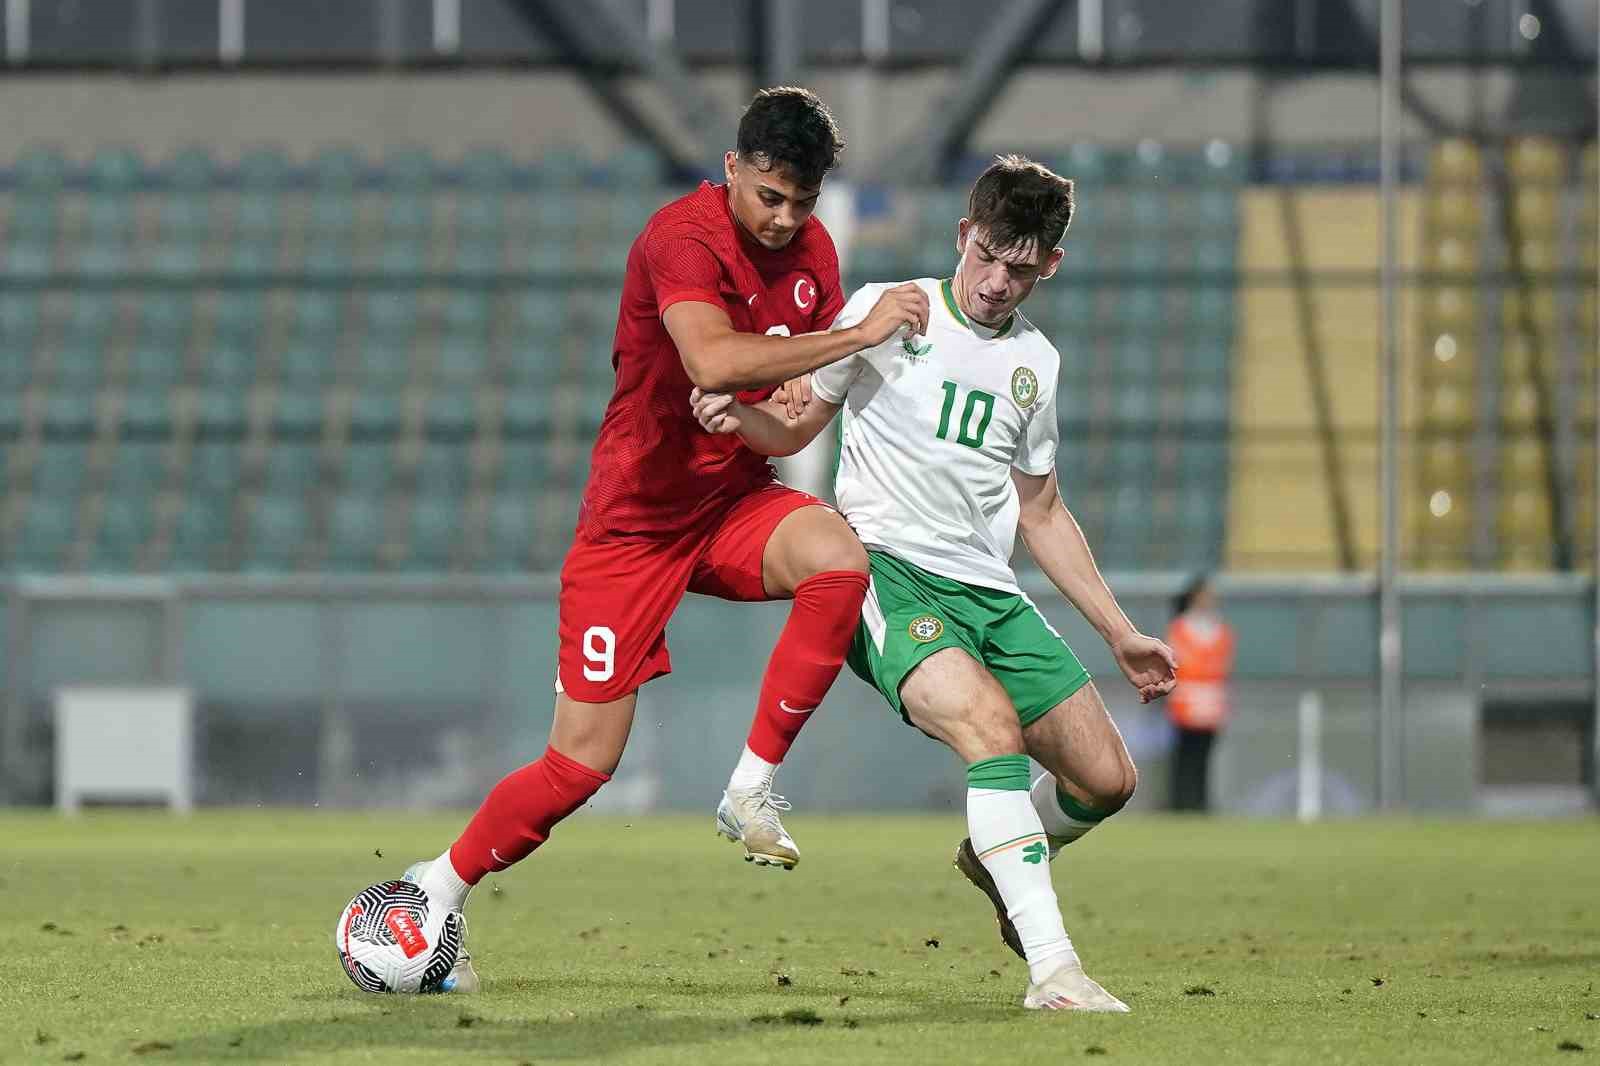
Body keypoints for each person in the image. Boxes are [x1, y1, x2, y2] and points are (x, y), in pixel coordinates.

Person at [391, 87, 934, 991]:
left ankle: (749, 787)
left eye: (801, 202)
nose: (785, 218)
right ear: (732, 169)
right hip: (634, 524)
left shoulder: (814, 254)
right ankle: (436, 886)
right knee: (580, 765)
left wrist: (758, 416)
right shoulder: (679, 236)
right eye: (769, 196)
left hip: (730, 502)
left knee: (837, 556)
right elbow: (712, 358)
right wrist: (853, 336)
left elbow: (792, 420)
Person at [689, 155, 1178, 1011]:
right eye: (986, 256)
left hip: (990, 591)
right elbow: (795, 426)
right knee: (990, 732)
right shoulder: (886, 310)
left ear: (1050, 265)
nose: (995, 282)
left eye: (1019, 269)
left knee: (1107, 780)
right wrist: (740, 420)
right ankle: (1055, 971)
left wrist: (1119, 632)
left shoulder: (1036, 364)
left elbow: (1042, 510)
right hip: (888, 574)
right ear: (963, 235)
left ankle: (993, 855)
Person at [1164, 574, 1234, 812]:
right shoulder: (1180, 627)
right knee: (1184, 755)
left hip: (1211, 701)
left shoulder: (1220, 629)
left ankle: (1201, 802)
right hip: (1186, 701)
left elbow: (1223, 664)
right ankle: (1180, 802)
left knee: (1205, 755)